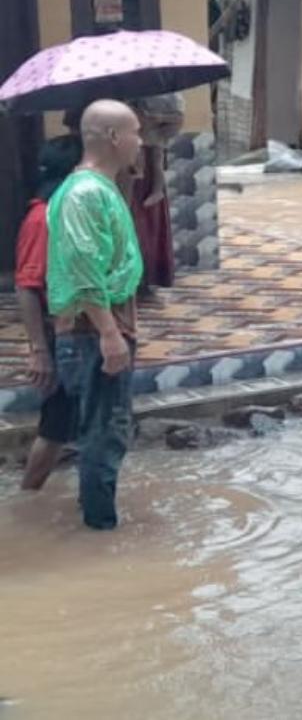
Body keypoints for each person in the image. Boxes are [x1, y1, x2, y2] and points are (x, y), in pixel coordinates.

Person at [47, 99, 143, 531]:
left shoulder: (100, 189)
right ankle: (101, 532)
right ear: (114, 138)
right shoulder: (85, 193)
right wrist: (108, 333)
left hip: (98, 327)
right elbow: (85, 266)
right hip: (91, 332)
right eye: (137, 133)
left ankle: (94, 519)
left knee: (104, 432)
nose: (141, 142)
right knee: (104, 437)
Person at [15, 135, 83, 490]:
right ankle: (28, 496)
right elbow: (26, 286)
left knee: (71, 420)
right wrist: (40, 351)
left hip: (75, 330)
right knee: (55, 425)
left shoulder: (65, 209)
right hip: (60, 335)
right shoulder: (43, 218)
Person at [129, 93, 184, 301]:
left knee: (143, 222)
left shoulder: (169, 96)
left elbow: (176, 122)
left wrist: (155, 119)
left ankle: (144, 277)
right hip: (130, 161)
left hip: (146, 162)